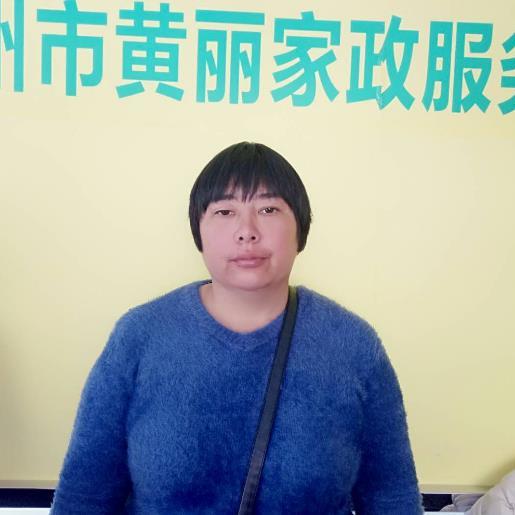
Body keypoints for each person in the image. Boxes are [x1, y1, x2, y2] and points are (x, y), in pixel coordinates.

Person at [50, 142, 423, 514]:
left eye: (268, 209)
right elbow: (83, 498)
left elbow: (392, 499)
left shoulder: (353, 346)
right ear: (198, 230)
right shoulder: (139, 337)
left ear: (301, 227)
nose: (247, 231)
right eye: (225, 211)